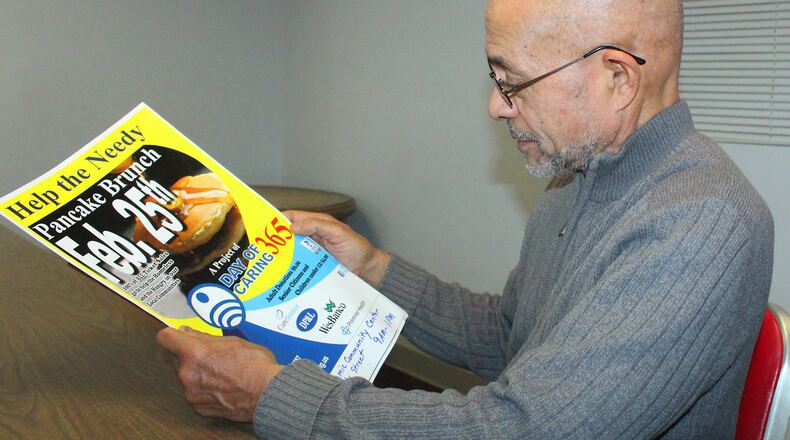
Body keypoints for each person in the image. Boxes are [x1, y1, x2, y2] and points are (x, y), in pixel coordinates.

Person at [156, 0, 775, 437]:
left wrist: (271, 397)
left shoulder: (701, 225)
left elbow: (525, 430)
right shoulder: (579, 176)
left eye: (514, 83)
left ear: (617, 78)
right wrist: (375, 270)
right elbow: (510, 337)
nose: (495, 107)